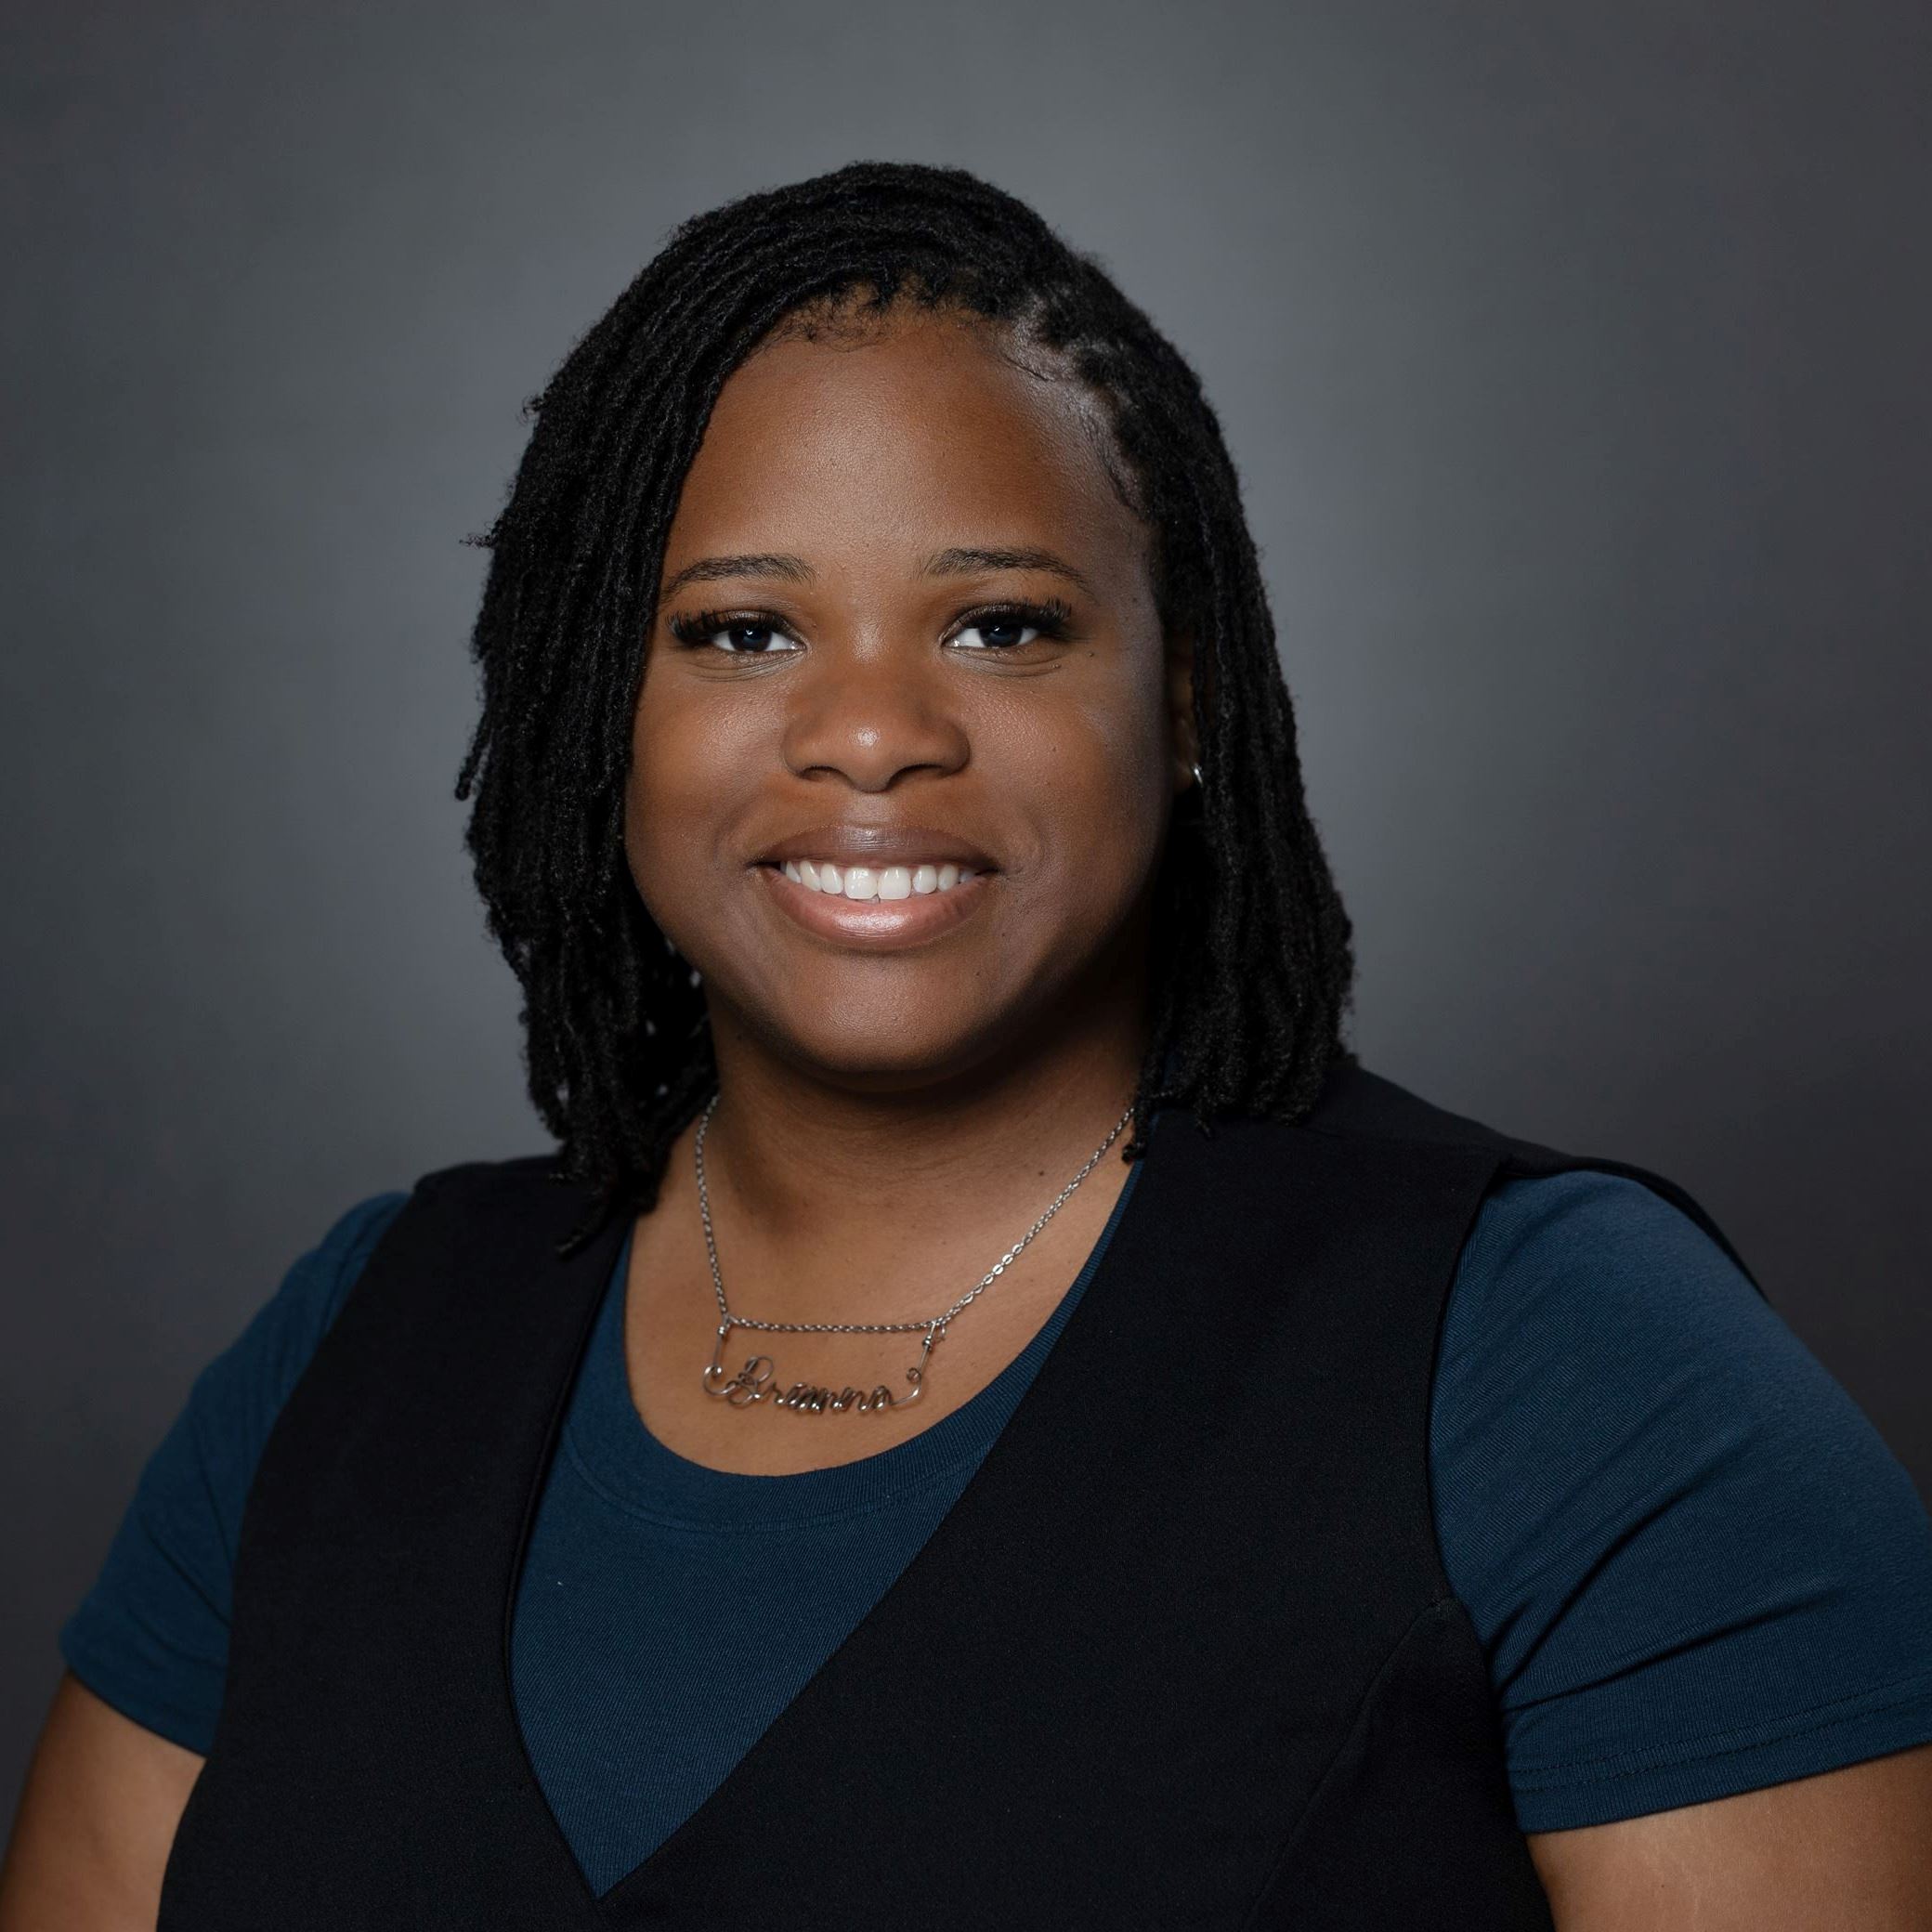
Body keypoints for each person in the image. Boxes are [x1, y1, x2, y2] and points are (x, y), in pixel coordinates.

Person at [4, 160, 1930, 1930]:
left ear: (1182, 702)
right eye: (740, 632)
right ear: (604, 705)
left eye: (1001, 626)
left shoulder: (1553, 1357)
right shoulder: (363, 1338)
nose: (869, 732)